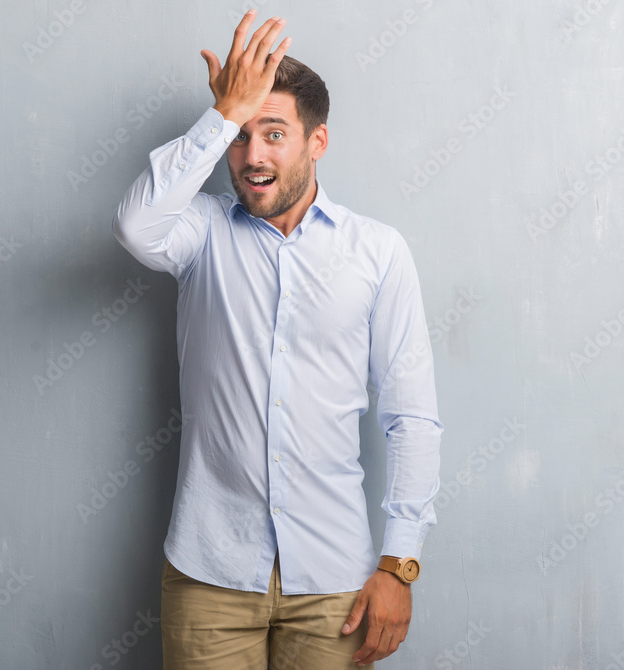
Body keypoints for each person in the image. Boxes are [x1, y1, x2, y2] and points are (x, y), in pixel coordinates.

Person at [111, 10, 442, 669]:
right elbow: (135, 226)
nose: (252, 156)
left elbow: (411, 417)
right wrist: (222, 114)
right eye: (241, 137)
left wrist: (398, 565)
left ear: (318, 142)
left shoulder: (378, 252)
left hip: (335, 581)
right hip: (209, 575)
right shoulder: (201, 233)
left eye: (274, 133)